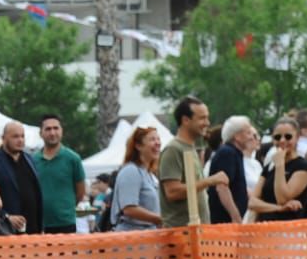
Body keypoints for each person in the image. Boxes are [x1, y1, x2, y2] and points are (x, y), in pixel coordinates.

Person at [159, 97, 226, 227]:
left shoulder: (190, 148)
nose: (207, 123)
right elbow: (172, 192)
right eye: (202, 118)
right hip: (181, 235)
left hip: (196, 234)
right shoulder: (173, 149)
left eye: (207, 118)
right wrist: (210, 181)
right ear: (185, 120)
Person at [0, 121, 42, 234]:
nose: (20, 140)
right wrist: (6, 216)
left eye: (22, 136)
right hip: (7, 232)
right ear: (3, 138)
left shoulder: (30, 159)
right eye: (15, 136)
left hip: (33, 230)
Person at [33, 114, 86, 234]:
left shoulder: (73, 159)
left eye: (56, 128)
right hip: (39, 224)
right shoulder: (32, 160)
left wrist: (65, 209)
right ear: (40, 133)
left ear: (62, 131)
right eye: (48, 129)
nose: (52, 133)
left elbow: (80, 192)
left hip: (66, 224)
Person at [250, 119, 307, 221]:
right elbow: (252, 202)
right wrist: (279, 208)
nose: (282, 141)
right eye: (277, 137)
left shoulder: (303, 166)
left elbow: (282, 199)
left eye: (288, 136)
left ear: (297, 138)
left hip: (290, 229)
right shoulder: (269, 166)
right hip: (264, 228)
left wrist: (280, 166)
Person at [205, 116, 258, 223]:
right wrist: (235, 216)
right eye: (248, 133)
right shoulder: (228, 153)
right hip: (225, 221)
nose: (252, 137)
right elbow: (222, 187)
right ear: (237, 136)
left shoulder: (234, 153)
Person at [110, 127, 164, 231]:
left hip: (148, 236)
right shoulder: (131, 171)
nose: (158, 143)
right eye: (152, 139)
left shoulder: (149, 174)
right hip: (132, 239)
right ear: (138, 146)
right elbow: (129, 209)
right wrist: (160, 219)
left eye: (158, 139)